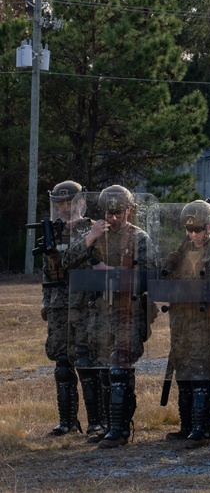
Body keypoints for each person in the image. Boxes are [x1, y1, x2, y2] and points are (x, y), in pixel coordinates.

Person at [63, 185, 159, 448]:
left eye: (118, 212)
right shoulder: (95, 233)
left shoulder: (139, 238)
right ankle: (107, 426)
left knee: (119, 369)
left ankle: (119, 430)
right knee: (103, 370)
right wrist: (90, 238)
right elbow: (66, 262)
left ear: (129, 210)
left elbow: (149, 276)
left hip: (128, 312)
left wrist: (110, 270)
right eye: (108, 212)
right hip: (98, 314)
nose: (113, 217)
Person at [152, 200, 210, 448]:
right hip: (182, 320)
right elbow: (165, 279)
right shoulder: (179, 252)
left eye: (198, 229)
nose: (193, 234)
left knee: (202, 371)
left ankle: (202, 428)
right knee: (183, 370)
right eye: (189, 229)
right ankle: (187, 425)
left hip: (207, 320)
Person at [40, 180, 90, 436]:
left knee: (87, 362)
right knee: (62, 365)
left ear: (81, 202)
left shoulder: (92, 230)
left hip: (85, 306)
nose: (65, 209)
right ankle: (68, 421)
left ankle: (97, 422)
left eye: (69, 203)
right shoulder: (50, 231)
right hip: (59, 306)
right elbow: (46, 274)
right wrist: (46, 304)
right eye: (60, 204)